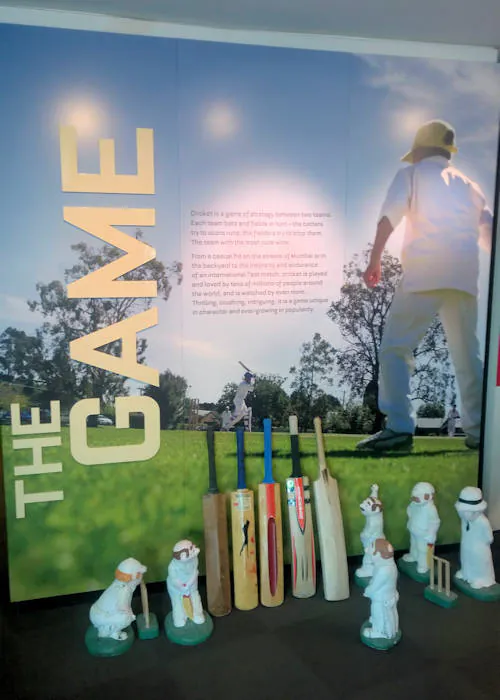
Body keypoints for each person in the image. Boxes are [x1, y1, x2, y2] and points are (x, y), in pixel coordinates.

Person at [357, 120, 492, 452]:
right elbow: (490, 233)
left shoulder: (410, 176)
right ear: (447, 151)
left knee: (395, 348)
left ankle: (399, 428)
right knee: (467, 356)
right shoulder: (470, 186)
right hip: (463, 279)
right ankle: (478, 433)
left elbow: (390, 216)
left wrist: (374, 260)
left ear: (417, 151)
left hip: (424, 273)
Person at [455, 486, 496, 589]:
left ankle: (481, 578)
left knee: (479, 563)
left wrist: (479, 544)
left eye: (467, 511)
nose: (464, 514)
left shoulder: (483, 522)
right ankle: (466, 573)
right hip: (466, 546)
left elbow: (489, 538)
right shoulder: (464, 520)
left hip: (479, 549)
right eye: (462, 512)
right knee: (466, 558)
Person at [402, 482, 440, 574]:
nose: (414, 499)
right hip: (414, 529)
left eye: (417, 498)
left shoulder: (431, 509)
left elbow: (435, 522)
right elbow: (410, 510)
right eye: (414, 497)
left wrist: (431, 534)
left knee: (424, 549)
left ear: (428, 497)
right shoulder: (414, 504)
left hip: (424, 534)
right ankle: (414, 556)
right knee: (414, 544)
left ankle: (425, 564)